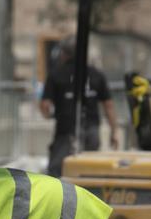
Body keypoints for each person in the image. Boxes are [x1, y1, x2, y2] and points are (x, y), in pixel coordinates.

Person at [41, 37, 120, 178]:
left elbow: (45, 106)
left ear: (64, 53)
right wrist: (114, 131)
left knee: (58, 173)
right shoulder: (96, 75)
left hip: (66, 131)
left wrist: (49, 114)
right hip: (91, 131)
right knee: (89, 172)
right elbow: (109, 106)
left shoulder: (56, 74)